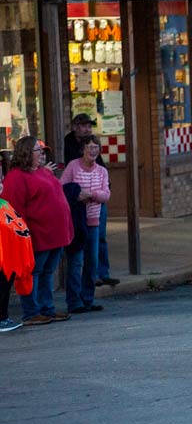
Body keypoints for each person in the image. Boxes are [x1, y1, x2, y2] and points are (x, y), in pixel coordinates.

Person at [0, 136, 74, 325]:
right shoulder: (16, 177)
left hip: (54, 234)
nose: (42, 153)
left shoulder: (43, 172)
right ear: (26, 153)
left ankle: (46, 309)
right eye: (38, 150)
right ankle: (31, 312)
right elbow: (14, 211)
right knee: (32, 273)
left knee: (47, 272)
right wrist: (22, 237)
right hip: (37, 235)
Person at [64, 113, 118, 287]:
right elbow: (65, 179)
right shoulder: (67, 144)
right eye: (83, 125)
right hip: (77, 203)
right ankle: (81, 285)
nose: (87, 128)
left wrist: (97, 192)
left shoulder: (94, 146)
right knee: (78, 243)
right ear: (74, 127)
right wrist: (78, 194)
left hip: (95, 202)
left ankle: (101, 273)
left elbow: (101, 171)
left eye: (89, 125)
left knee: (99, 237)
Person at [60, 134, 110, 314]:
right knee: (76, 262)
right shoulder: (73, 166)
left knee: (92, 262)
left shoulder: (102, 171)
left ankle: (88, 299)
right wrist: (78, 195)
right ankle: (74, 302)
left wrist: (89, 195)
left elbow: (106, 195)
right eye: (89, 148)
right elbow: (62, 188)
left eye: (96, 148)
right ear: (83, 149)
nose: (93, 151)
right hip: (76, 222)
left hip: (94, 222)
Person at [0, 170, 36, 333]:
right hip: (3, 253)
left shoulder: (4, 204)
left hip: (8, 253)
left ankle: (3, 316)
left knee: (5, 283)